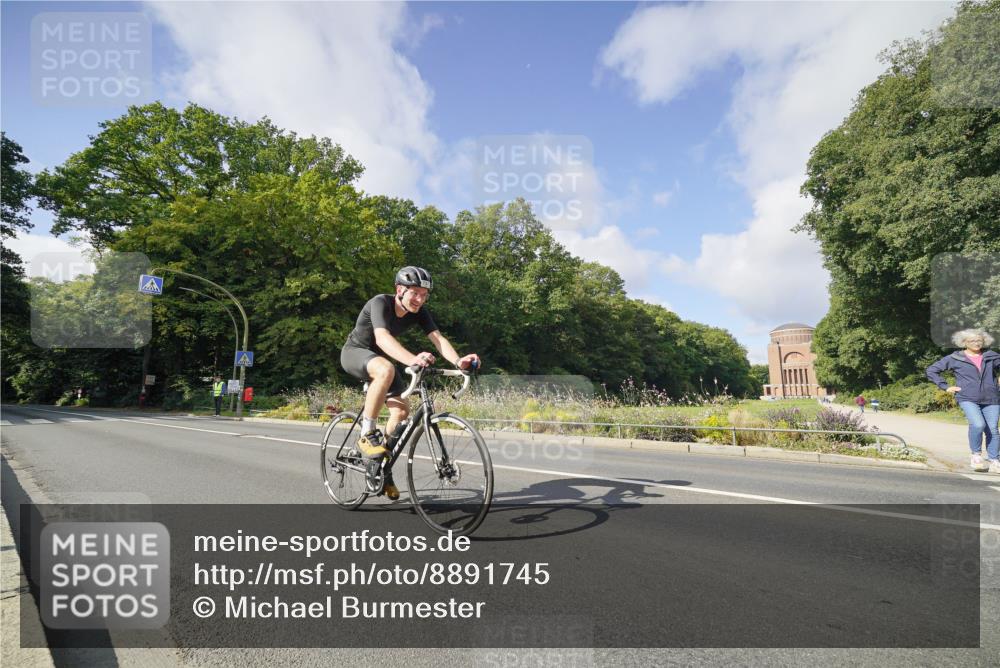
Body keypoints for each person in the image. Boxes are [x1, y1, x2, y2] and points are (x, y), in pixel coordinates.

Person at [340, 266, 480, 500]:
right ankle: (367, 433)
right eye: (415, 293)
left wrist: (458, 361)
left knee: (402, 412)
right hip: (355, 353)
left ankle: (379, 468)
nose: (420, 299)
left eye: (424, 295)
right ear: (399, 290)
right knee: (385, 368)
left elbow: (438, 339)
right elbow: (382, 339)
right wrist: (413, 359)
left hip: (382, 361)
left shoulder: (419, 312)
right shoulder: (380, 303)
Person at [926, 329, 1000, 473]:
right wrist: (945, 386)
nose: (976, 343)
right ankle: (976, 455)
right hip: (967, 397)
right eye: (972, 341)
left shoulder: (991, 356)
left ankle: (994, 460)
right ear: (964, 342)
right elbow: (932, 370)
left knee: (992, 429)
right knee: (978, 424)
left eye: (979, 340)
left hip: (992, 398)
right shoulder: (955, 358)